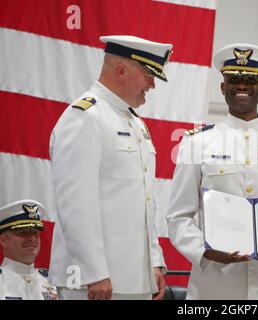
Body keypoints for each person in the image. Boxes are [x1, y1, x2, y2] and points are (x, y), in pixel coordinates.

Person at [166, 43, 258, 299]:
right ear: (223, 87)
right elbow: (178, 215)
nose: (241, 85)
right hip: (215, 284)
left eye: (250, 80)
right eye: (234, 79)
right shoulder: (196, 143)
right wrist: (204, 251)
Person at [49, 35, 173, 300]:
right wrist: (93, 272)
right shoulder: (85, 117)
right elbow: (76, 203)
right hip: (94, 283)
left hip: (133, 279)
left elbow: (144, 202)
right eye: (149, 75)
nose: (152, 85)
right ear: (121, 71)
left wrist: (154, 261)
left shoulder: (136, 124)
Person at [0, 200, 58, 300]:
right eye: (23, 233)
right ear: (3, 241)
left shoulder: (52, 281)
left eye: (35, 233)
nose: (32, 238)